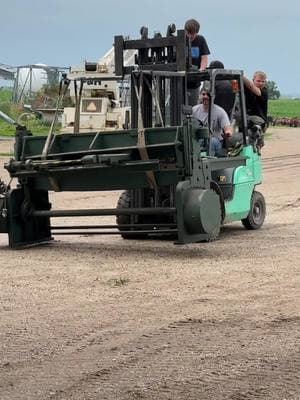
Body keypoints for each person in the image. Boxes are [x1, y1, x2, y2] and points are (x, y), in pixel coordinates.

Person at [192, 83, 232, 156]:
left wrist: (228, 132)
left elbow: (227, 128)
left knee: (211, 141)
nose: (205, 97)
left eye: (208, 95)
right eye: (203, 94)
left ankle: (209, 163)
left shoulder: (220, 111)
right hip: (198, 140)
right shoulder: (194, 110)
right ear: (200, 95)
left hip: (215, 141)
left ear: (213, 96)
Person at [185, 19, 210, 106]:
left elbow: (204, 57)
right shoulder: (180, 40)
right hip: (180, 80)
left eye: (193, 34)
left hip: (194, 82)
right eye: (188, 33)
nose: (190, 36)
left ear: (196, 32)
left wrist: (201, 69)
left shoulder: (201, 40)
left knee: (193, 108)